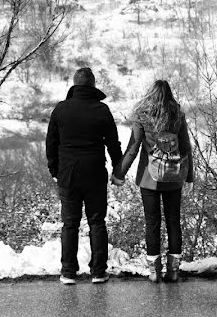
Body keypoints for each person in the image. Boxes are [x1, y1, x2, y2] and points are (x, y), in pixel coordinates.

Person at [46, 67, 122, 285]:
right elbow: (113, 145)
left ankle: (68, 272)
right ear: (93, 86)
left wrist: (55, 170)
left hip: (68, 174)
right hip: (95, 172)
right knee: (97, 222)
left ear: (74, 85)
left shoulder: (60, 109)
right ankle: (98, 272)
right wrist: (118, 170)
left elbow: (51, 143)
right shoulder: (102, 110)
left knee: (70, 223)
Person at [112, 80, 194, 283]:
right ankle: (173, 271)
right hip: (174, 177)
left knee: (152, 222)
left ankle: (154, 271)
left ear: (150, 94)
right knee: (174, 221)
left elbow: (133, 148)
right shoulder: (177, 115)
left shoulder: (142, 116)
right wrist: (189, 177)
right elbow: (185, 148)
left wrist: (119, 174)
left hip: (149, 178)